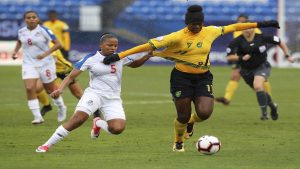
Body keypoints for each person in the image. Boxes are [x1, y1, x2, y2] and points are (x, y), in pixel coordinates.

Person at [102, 5, 280, 152]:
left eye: (199, 24)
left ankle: (191, 123)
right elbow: (147, 45)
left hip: (203, 77)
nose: (197, 27)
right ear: (187, 23)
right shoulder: (176, 37)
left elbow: (234, 27)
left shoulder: (210, 31)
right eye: (193, 24)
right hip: (181, 78)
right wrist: (119, 56)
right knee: (183, 114)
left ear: (203, 23)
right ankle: (178, 141)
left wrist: (263, 24)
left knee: (205, 113)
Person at [35, 33, 152, 153]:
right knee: (78, 119)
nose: (113, 48)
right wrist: (60, 89)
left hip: (113, 98)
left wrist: (148, 55)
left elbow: (135, 64)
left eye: (115, 45)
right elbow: (70, 76)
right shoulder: (90, 59)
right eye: (109, 45)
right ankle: (46, 145)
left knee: (117, 129)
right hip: (94, 94)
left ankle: (98, 122)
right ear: (101, 45)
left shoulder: (120, 57)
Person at [226, 27, 295, 120]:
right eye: (244, 29)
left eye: (249, 28)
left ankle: (264, 114)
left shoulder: (262, 37)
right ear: (242, 30)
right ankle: (273, 106)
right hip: (246, 70)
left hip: (262, 66)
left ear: (254, 29)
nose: (247, 30)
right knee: (259, 90)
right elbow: (229, 57)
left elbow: (279, 41)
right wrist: (241, 57)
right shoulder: (237, 41)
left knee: (258, 85)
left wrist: (288, 55)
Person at [11, 11, 67, 124]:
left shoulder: (44, 30)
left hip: (45, 63)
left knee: (50, 90)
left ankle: (61, 107)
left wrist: (45, 54)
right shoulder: (21, 31)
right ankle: (38, 117)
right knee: (30, 88)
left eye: (33, 17)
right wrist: (15, 52)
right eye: (28, 18)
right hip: (29, 63)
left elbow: (58, 44)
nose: (31, 19)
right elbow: (19, 41)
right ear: (25, 20)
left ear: (37, 19)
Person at [215, 14, 272, 105]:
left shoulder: (254, 29)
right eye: (239, 21)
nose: (240, 22)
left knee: (261, 80)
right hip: (241, 57)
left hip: (254, 57)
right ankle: (226, 99)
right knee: (234, 76)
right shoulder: (236, 30)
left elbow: (261, 40)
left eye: (242, 21)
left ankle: (268, 97)